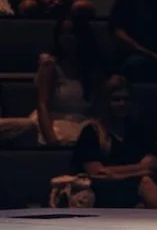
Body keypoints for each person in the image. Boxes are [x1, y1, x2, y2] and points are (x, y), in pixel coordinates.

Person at [0, 11, 105, 147]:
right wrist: (51, 140)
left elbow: (99, 108)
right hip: (53, 123)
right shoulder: (50, 66)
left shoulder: (93, 69)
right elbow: (42, 105)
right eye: (63, 33)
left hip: (81, 123)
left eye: (71, 33)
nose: (66, 38)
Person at [71, 74, 157, 208]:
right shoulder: (92, 131)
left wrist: (114, 172)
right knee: (145, 182)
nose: (122, 104)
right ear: (106, 101)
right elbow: (97, 173)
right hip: (102, 191)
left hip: (133, 189)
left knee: (147, 185)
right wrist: (139, 170)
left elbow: (152, 165)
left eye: (126, 99)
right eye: (116, 99)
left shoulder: (140, 130)